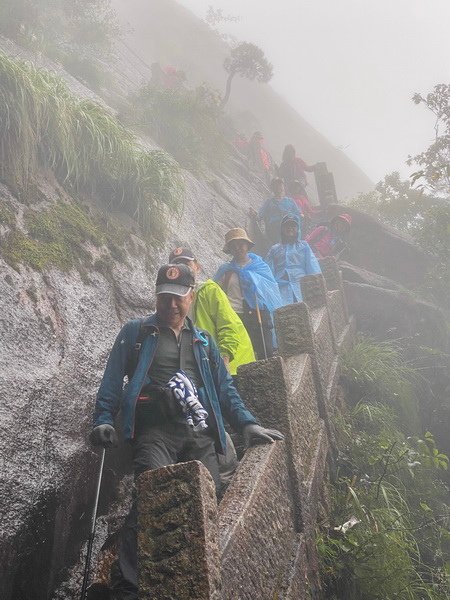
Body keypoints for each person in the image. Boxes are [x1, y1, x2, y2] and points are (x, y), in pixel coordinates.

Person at [90, 263, 283, 599]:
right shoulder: (136, 333)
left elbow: (224, 390)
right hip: (155, 431)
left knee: (207, 495)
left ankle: (202, 576)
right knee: (152, 489)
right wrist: (103, 419)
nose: (172, 305)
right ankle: (129, 584)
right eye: (165, 298)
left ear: (192, 297)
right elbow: (111, 380)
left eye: (179, 298)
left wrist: (248, 423)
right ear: (156, 297)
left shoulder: (203, 342)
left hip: (199, 432)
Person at [168, 246, 256, 376]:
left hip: (234, 365)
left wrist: (224, 360)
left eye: (187, 264)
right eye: (177, 265)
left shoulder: (209, 291)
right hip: (206, 364)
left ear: (197, 267)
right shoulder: (172, 299)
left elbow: (228, 326)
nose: (183, 269)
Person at [214, 228, 283, 360]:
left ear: (247, 245)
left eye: (241, 244)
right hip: (235, 316)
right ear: (230, 250)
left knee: (265, 352)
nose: (238, 248)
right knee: (243, 355)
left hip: (258, 314)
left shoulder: (260, 266)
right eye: (233, 246)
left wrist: (254, 281)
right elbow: (215, 291)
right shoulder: (225, 271)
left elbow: (270, 289)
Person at [266, 215, 322, 305]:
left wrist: (316, 285)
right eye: (287, 226)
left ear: (297, 229)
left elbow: (312, 266)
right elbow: (268, 271)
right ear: (282, 229)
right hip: (281, 288)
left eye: (293, 226)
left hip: (301, 286)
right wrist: (270, 289)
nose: (290, 228)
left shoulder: (304, 246)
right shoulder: (274, 249)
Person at [256, 178, 302, 246]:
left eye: (280, 185)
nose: (278, 187)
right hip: (275, 227)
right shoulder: (269, 202)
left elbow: (297, 215)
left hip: (289, 224)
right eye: (276, 185)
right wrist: (255, 214)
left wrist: (291, 217)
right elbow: (260, 215)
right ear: (272, 188)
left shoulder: (290, 201)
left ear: (283, 187)